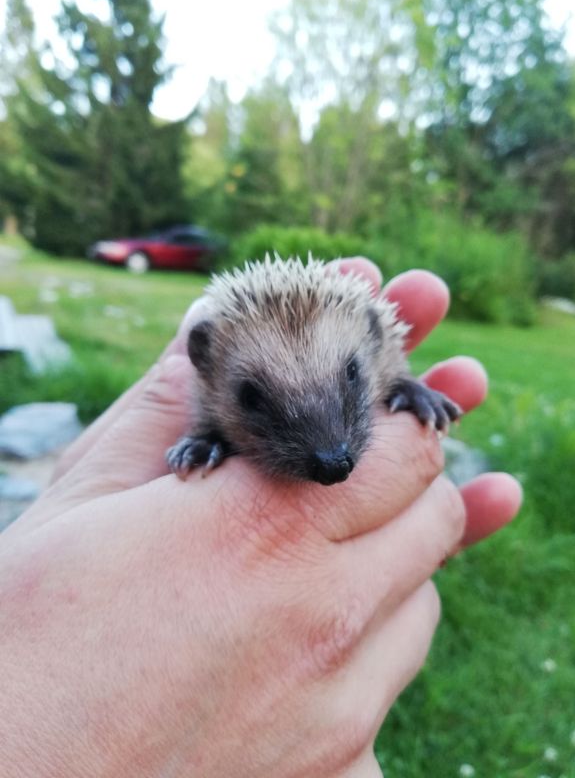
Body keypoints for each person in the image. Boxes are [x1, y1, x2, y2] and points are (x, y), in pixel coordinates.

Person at [0, 260, 521, 777]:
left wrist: (410, 390)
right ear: (202, 362)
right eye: (255, 399)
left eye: (349, 378)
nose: (330, 453)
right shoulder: (202, 401)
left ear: (372, 340)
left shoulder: (377, 355)